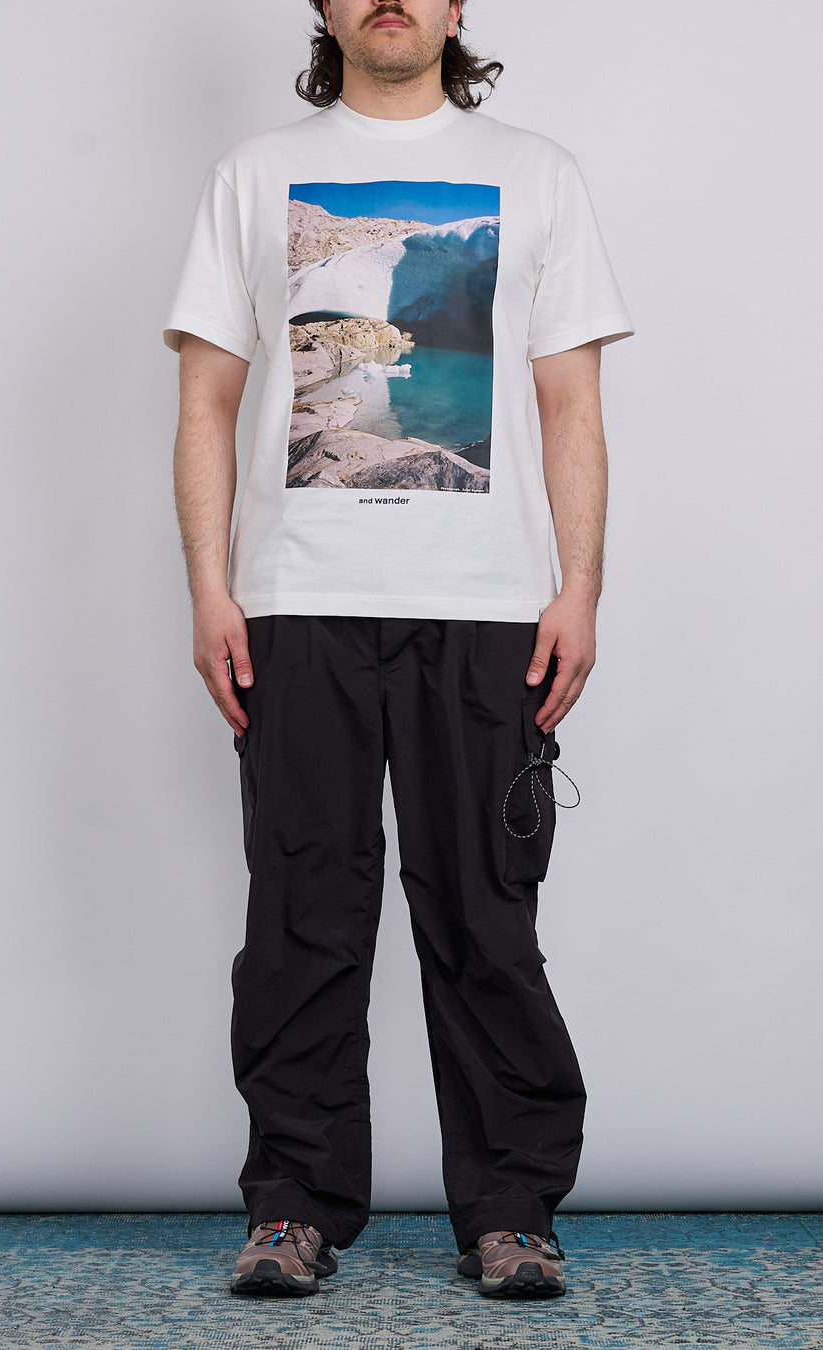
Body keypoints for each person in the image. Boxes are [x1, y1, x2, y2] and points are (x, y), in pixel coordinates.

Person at [163, 0, 634, 1301]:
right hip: (295, 600)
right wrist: (210, 588)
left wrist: (579, 586)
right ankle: (292, 1205)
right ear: (322, 6)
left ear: (458, 5)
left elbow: (569, 401)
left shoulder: (537, 173)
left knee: (486, 909)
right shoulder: (255, 173)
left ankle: (513, 1208)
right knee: (301, 909)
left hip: (486, 606)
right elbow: (207, 400)